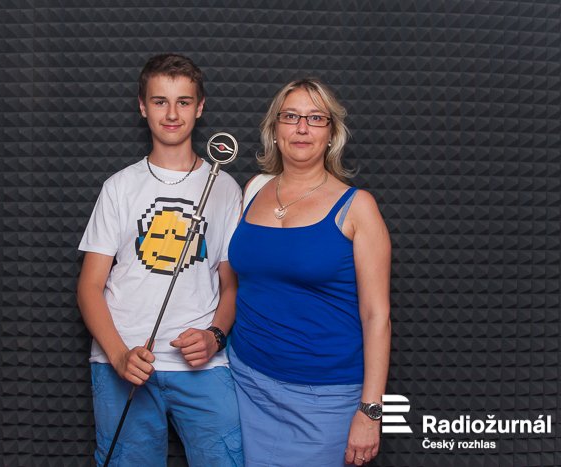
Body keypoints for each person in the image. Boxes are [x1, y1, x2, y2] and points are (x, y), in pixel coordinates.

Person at [77, 53, 243, 467]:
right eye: (159, 101)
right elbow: (89, 287)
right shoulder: (119, 187)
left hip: (203, 367)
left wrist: (215, 336)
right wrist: (119, 355)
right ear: (142, 106)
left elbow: (232, 284)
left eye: (183, 101)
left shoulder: (225, 188)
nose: (171, 114)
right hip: (124, 360)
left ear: (200, 107)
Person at [228, 78, 391, 466]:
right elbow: (237, 283)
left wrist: (370, 410)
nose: (302, 128)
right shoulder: (253, 189)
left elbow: (377, 316)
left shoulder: (358, 206)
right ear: (274, 129)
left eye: (316, 118)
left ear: (331, 133)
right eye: (291, 117)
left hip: (324, 396)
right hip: (244, 382)